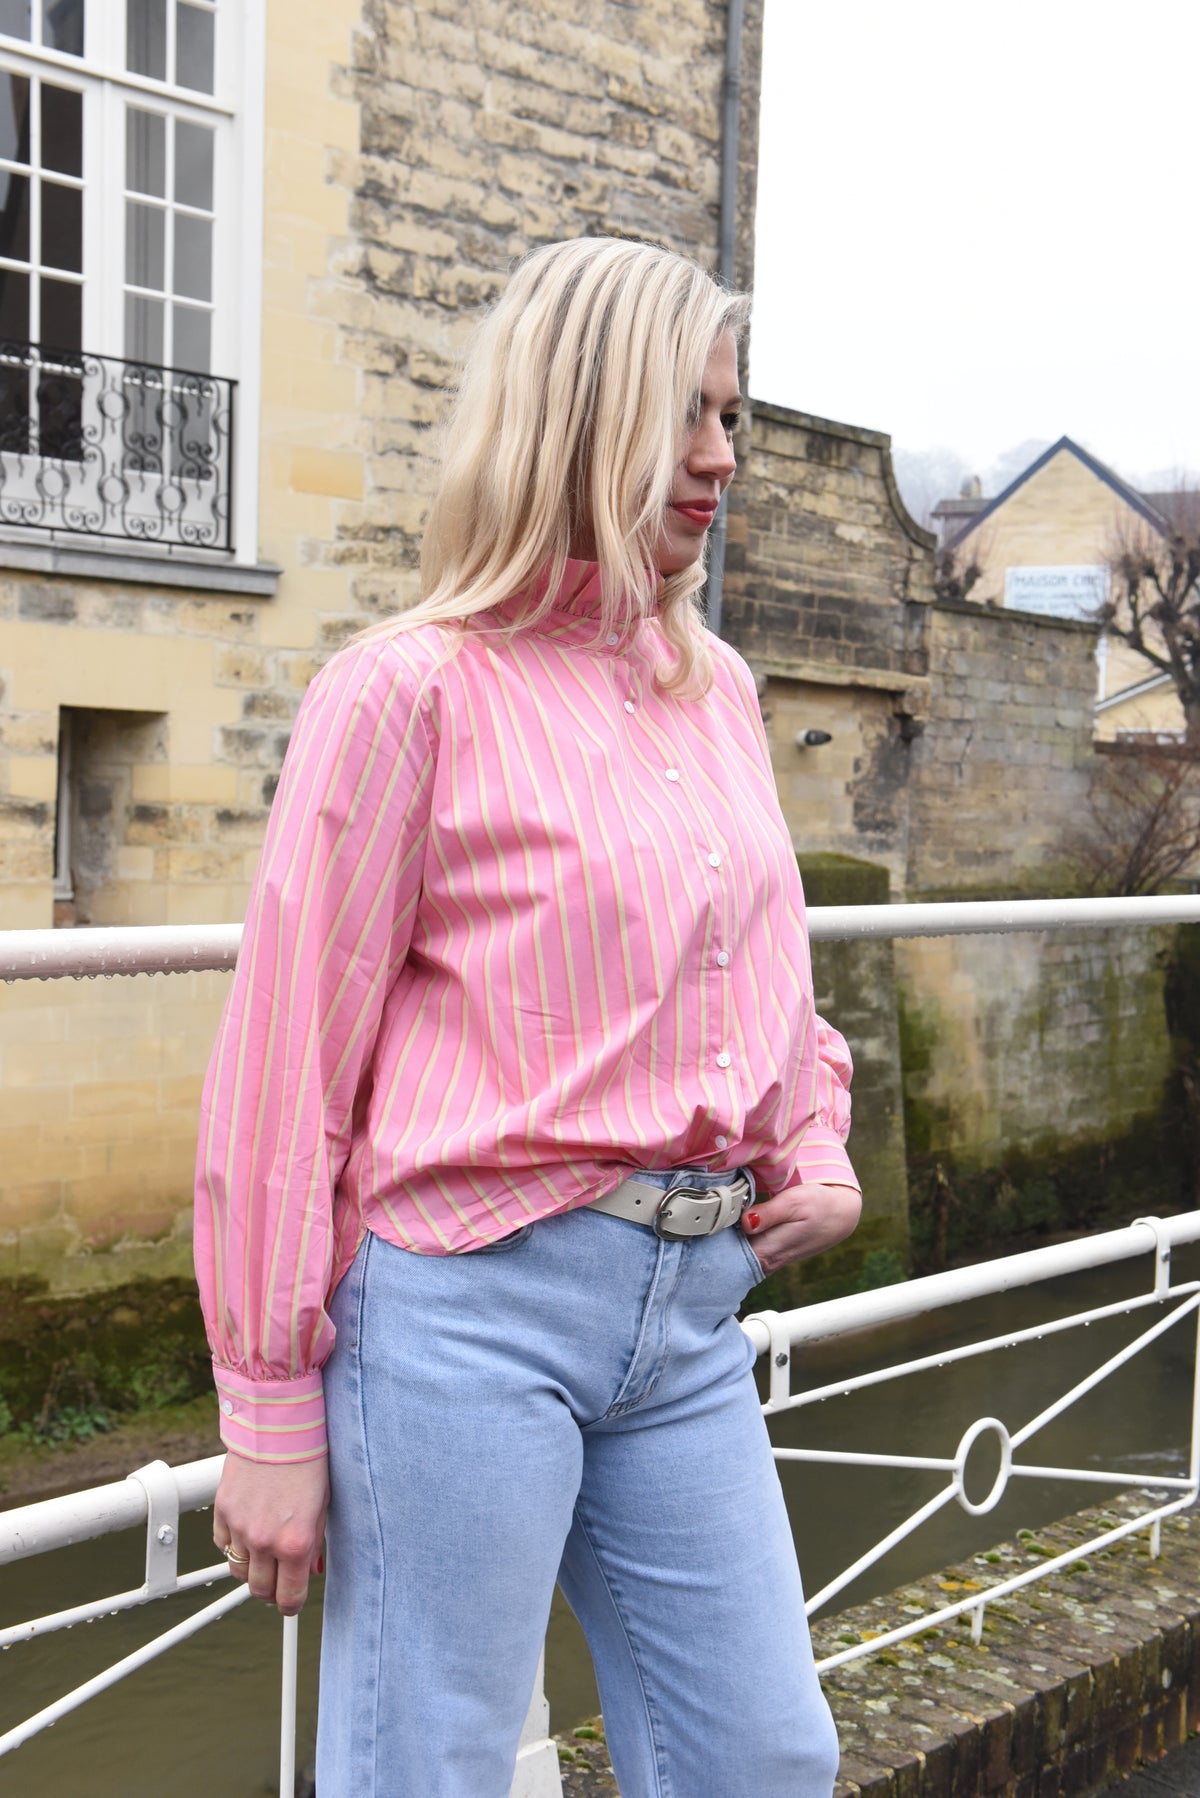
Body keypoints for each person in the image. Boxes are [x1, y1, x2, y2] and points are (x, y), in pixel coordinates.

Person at [195, 235, 862, 1798]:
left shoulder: (724, 691)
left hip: (694, 1305)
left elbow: (764, 972)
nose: (720, 459)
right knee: (428, 1767)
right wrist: (269, 1405)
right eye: (684, 417)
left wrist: (810, 1134)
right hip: (465, 1311)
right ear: (577, 423)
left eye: (732, 416)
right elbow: (288, 1068)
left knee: (763, 1751)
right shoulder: (408, 691)